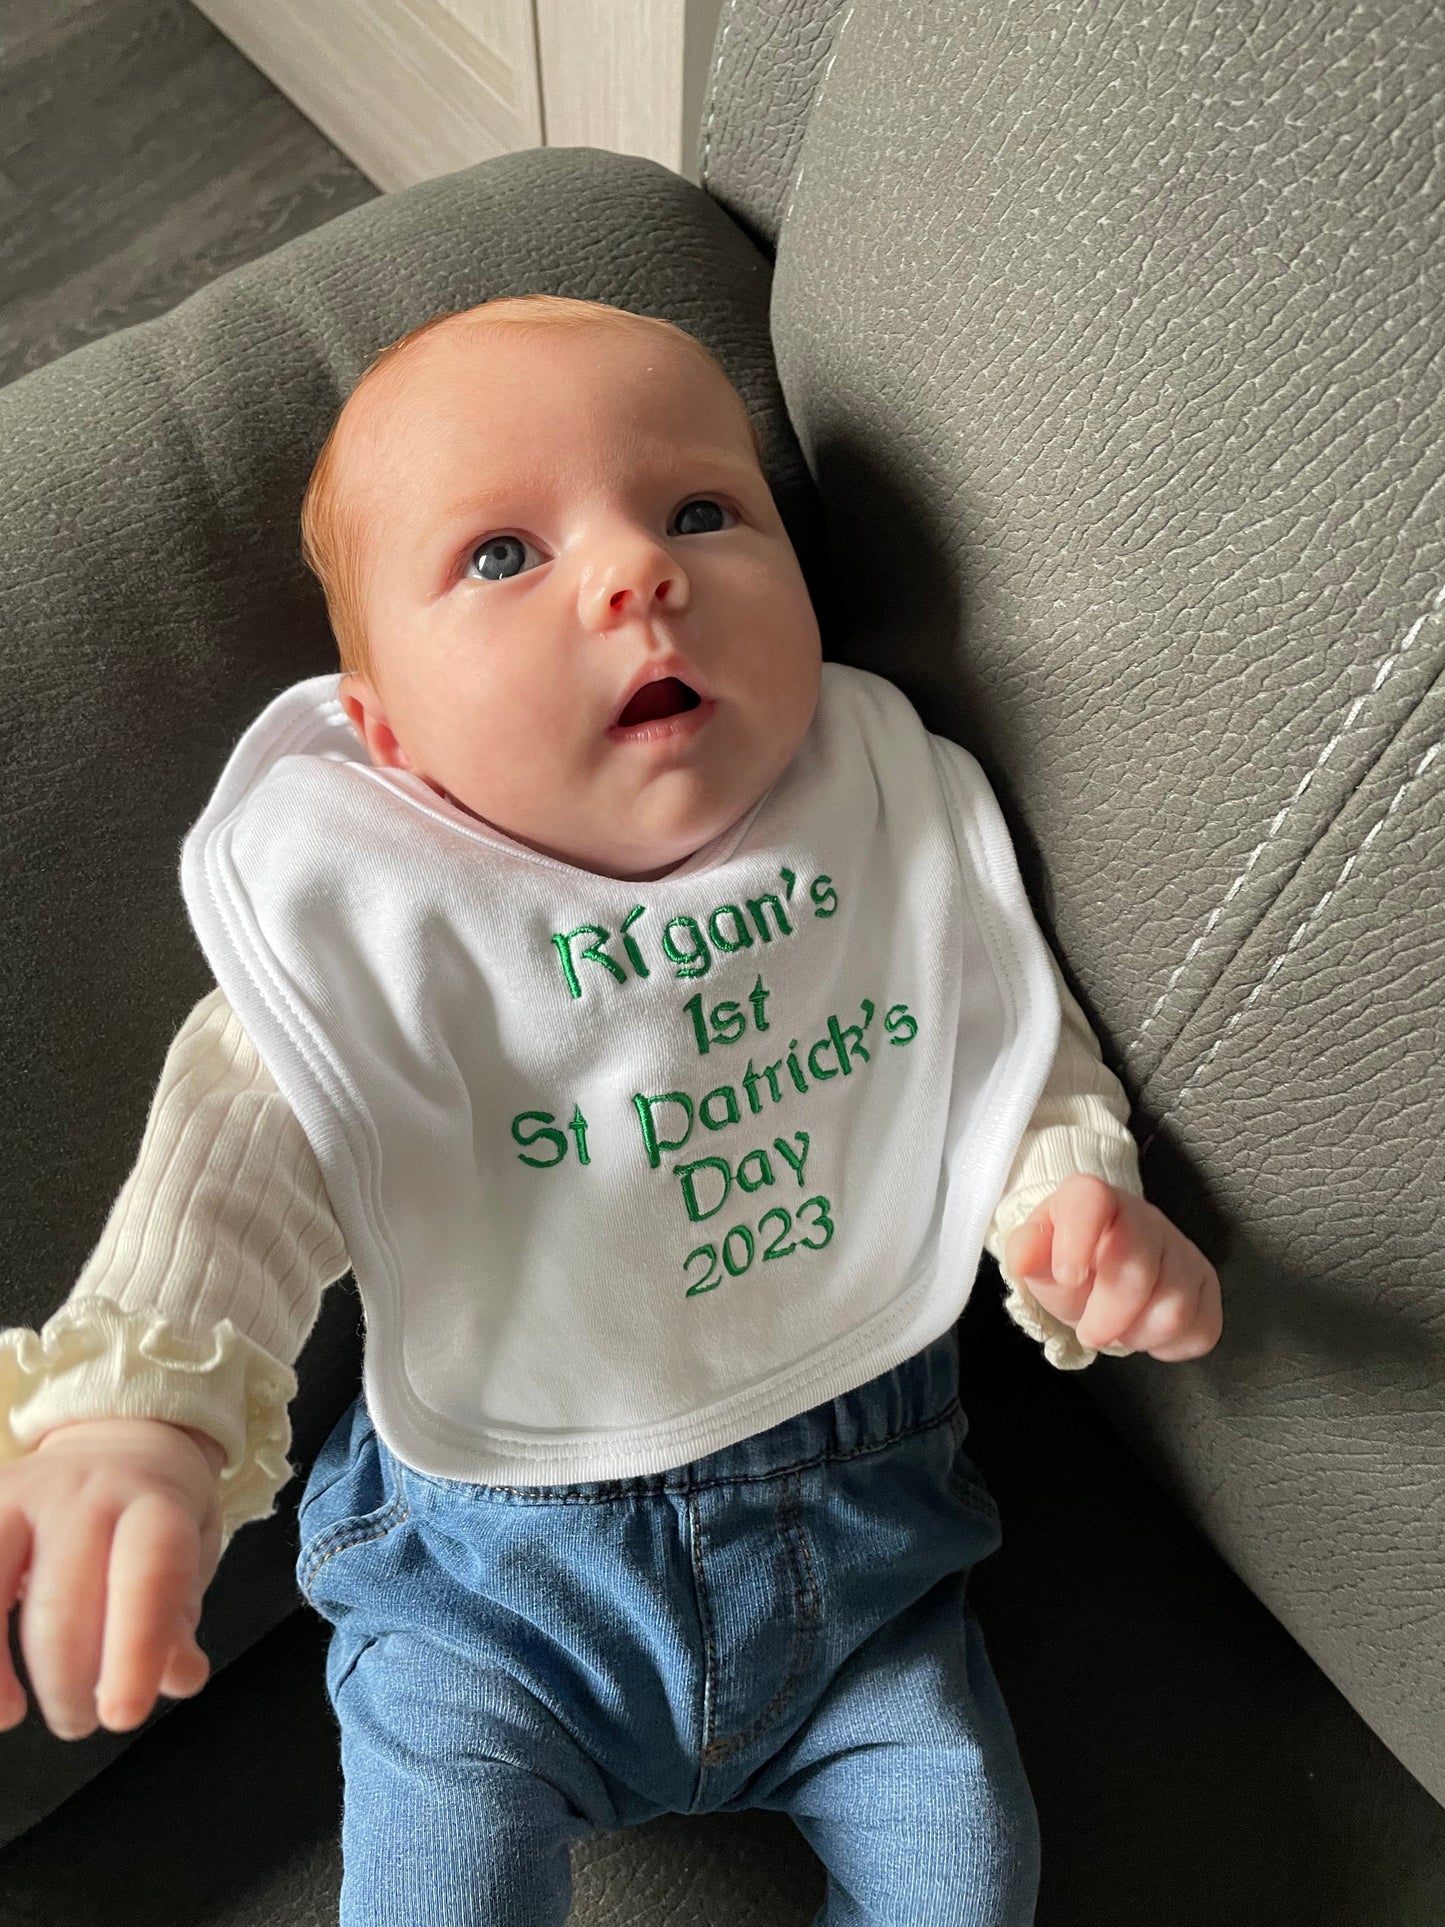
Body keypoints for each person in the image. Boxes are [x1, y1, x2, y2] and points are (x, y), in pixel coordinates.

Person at [0, 295, 1221, 1925]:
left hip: (868, 1588)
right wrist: (131, 1422)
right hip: (491, 1611)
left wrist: (1069, 1198)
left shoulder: (873, 832)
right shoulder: (373, 930)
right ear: (387, 736)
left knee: (972, 1875)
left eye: (703, 510)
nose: (638, 573)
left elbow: (996, 1042)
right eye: (501, 554)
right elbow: (228, 1187)